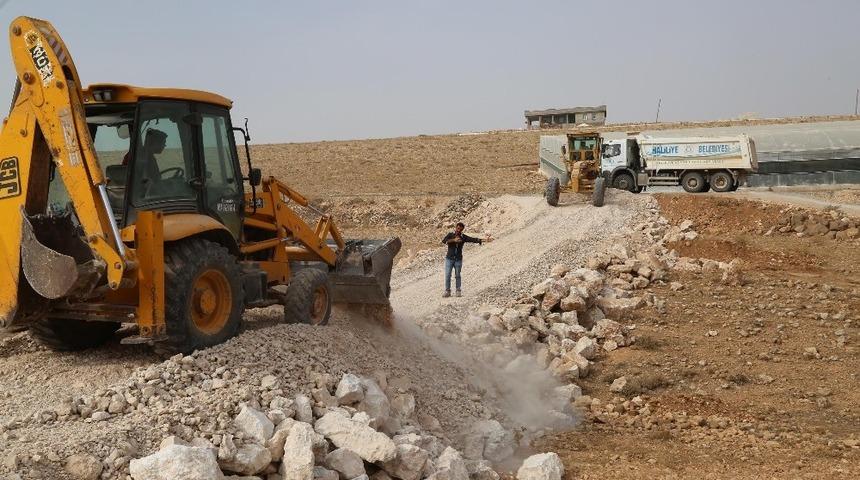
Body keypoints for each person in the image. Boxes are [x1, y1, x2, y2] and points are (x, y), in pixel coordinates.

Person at [441, 222, 492, 298]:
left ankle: (458, 291)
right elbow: (444, 241)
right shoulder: (450, 235)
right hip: (449, 259)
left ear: (462, 230)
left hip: (458, 259)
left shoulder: (463, 237)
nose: (459, 230)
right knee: (448, 275)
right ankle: (447, 291)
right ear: (456, 227)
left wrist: (485, 240)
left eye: (460, 229)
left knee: (457, 275)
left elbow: (473, 239)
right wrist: (454, 240)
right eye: (458, 228)